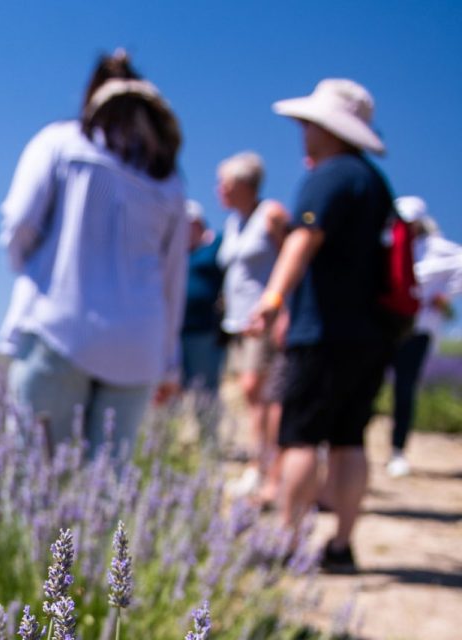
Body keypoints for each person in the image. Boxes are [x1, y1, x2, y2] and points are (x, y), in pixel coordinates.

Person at [0, 51, 187, 454]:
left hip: (61, 325)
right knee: (109, 481)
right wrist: (168, 360)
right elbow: (173, 276)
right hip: (139, 343)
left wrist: (34, 272)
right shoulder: (169, 179)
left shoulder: (61, 142)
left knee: (36, 471)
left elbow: (19, 224)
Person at [249, 78, 394, 572]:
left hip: (324, 330)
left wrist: (273, 297)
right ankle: (342, 544)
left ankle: (288, 542)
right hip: (371, 335)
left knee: (301, 437)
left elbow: (303, 239)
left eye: (308, 123)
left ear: (328, 128)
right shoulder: (375, 183)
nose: (302, 132)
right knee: (351, 438)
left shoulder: (329, 176)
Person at [214, 151, 291, 501]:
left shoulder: (271, 215)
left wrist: (283, 310)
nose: (219, 190)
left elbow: (293, 260)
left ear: (245, 184)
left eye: (225, 183)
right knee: (251, 394)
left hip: (266, 319)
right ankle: (260, 466)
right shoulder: (234, 223)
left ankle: (271, 471)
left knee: (262, 393)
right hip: (239, 323)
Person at [386, 196, 462, 477]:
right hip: (386, 327)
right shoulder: (388, 244)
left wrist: (447, 295)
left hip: (418, 330)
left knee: (404, 390)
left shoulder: (437, 249)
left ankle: (397, 451)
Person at [180, 199, 226, 395]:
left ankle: (208, 426)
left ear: (198, 224)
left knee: (205, 390)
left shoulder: (214, 246)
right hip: (177, 331)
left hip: (204, 330)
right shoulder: (178, 254)